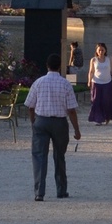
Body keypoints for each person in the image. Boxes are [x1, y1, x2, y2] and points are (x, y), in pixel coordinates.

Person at [26, 53, 81, 201]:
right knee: (59, 156)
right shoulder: (65, 84)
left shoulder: (38, 82)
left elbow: (30, 106)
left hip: (41, 121)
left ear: (47, 66)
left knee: (39, 157)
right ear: (59, 66)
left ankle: (39, 192)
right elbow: (71, 110)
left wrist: (33, 123)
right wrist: (76, 129)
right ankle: (61, 190)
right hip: (59, 122)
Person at [86, 43, 112, 125]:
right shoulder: (93, 60)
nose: (101, 51)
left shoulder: (109, 59)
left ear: (105, 50)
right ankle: (98, 119)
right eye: (99, 50)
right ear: (96, 51)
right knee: (96, 100)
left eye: (102, 50)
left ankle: (107, 117)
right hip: (96, 82)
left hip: (107, 82)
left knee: (106, 100)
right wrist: (89, 80)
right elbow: (91, 71)